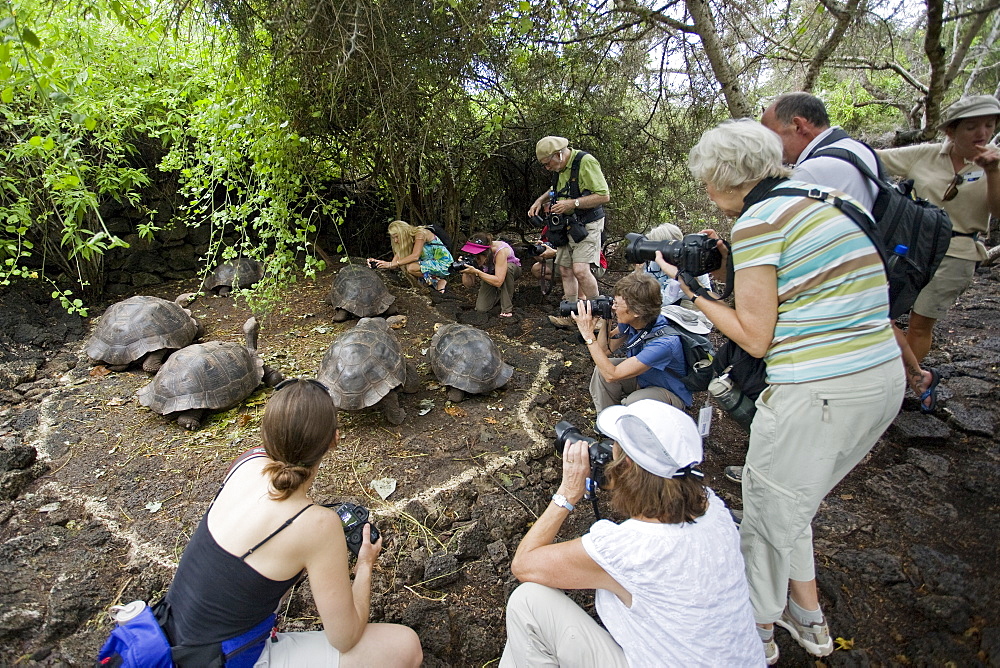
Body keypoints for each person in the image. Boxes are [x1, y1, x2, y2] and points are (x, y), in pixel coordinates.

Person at [684, 119, 904, 664]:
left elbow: (755, 337)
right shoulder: (823, 198)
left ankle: (752, 633)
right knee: (793, 502)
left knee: (763, 512)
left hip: (819, 392)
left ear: (725, 178)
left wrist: (695, 295)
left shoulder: (761, 219)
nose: (708, 196)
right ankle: (807, 617)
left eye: (707, 184)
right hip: (878, 379)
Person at [158, 378, 423, 667]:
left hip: (169, 639)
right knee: (405, 646)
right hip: (219, 660)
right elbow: (345, 638)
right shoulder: (318, 525)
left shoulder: (245, 464)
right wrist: (365, 567)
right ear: (335, 438)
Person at [499, 400, 764, 667]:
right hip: (736, 657)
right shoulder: (714, 507)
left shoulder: (629, 548)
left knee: (527, 602)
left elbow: (524, 565)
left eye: (612, 445)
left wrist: (567, 493)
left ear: (625, 464)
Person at [761, 92, 938, 411]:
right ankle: (917, 375)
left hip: (841, 275)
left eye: (772, 135)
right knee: (882, 320)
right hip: (877, 257)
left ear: (799, 125)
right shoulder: (856, 149)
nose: (771, 147)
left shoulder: (813, 171)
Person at [876, 95, 1000, 368]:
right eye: (971, 127)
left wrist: (992, 172)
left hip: (957, 254)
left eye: (989, 126)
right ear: (951, 131)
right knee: (882, 316)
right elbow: (871, 160)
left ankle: (901, 383)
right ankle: (878, 377)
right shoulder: (926, 154)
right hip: (910, 248)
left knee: (920, 325)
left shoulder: (997, 163)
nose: (982, 134)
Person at [571, 272, 694, 413]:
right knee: (601, 371)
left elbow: (612, 375)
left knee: (635, 402)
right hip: (645, 379)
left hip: (670, 393)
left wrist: (588, 335)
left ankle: (629, 427)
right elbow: (605, 350)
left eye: (617, 304)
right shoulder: (636, 320)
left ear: (636, 311)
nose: (614, 307)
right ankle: (608, 419)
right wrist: (607, 317)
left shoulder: (664, 343)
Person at [527, 136, 611, 328]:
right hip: (566, 224)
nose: (548, 168)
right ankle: (571, 314)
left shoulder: (585, 162)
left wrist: (572, 204)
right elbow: (554, 190)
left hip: (586, 223)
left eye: (548, 164)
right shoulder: (559, 168)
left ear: (558, 154)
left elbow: (603, 195)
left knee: (581, 269)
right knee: (565, 269)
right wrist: (540, 201)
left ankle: (599, 316)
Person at [635, 222, 713, 314]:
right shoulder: (656, 260)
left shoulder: (690, 266)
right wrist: (638, 273)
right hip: (667, 307)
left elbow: (664, 300)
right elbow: (638, 287)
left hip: (692, 314)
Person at [369, 220, 453, 293]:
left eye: (397, 237)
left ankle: (438, 281)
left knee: (411, 267)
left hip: (443, 263)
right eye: (393, 238)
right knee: (408, 266)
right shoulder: (407, 241)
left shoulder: (420, 233)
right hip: (429, 264)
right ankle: (434, 282)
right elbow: (394, 264)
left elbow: (415, 256)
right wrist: (378, 263)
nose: (395, 240)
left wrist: (391, 264)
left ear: (403, 233)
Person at [458, 232, 522, 317]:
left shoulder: (500, 250)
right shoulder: (473, 257)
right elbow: (468, 285)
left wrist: (477, 272)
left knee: (507, 270)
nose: (476, 259)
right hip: (490, 273)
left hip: (511, 271)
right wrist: (465, 270)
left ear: (486, 253)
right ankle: (498, 295)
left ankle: (506, 309)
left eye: (478, 257)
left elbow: (499, 281)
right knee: (481, 308)